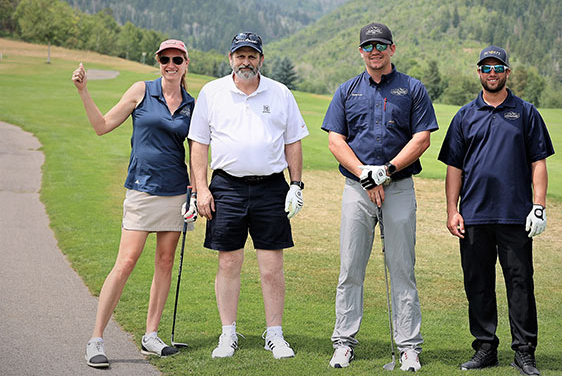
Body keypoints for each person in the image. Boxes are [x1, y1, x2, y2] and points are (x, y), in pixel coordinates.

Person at [73, 39, 197, 368]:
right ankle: (96, 339)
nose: (170, 64)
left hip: (176, 192)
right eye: (165, 59)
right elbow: (101, 126)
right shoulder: (141, 90)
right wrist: (84, 91)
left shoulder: (191, 105)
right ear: (159, 62)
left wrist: (196, 193)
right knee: (126, 262)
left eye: (177, 59)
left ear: (186, 63)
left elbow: (198, 152)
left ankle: (151, 335)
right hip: (142, 190)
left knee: (165, 262)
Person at [321, 22, 438, 372]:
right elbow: (335, 140)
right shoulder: (347, 90)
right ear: (361, 51)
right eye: (369, 46)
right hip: (357, 189)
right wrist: (364, 173)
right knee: (350, 269)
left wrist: (385, 171)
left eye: (381, 45)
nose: (375, 51)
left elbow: (422, 138)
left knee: (402, 269)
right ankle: (343, 343)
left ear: (392, 49)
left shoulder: (412, 88)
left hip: (398, 186)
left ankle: (409, 347)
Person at [188, 32, 308, 360]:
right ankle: (228, 333)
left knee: (271, 266)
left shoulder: (280, 93)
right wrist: (201, 189)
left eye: (252, 56)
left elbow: (293, 141)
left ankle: (275, 334)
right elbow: (198, 144)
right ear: (230, 59)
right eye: (240, 56)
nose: (246, 62)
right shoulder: (212, 92)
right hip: (226, 187)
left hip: (271, 187)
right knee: (229, 262)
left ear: (261, 60)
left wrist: (296, 184)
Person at [438, 45, 554, 375]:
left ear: (507, 72)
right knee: (478, 284)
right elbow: (454, 167)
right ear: (479, 72)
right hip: (474, 215)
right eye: (486, 68)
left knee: (520, 283)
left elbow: (538, 162)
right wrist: (452, 210)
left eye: (497, 68)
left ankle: (524, 352)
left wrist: (539, 206)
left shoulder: (526, 113)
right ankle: (485, 347)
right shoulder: (464, 115)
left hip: (515, 215)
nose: (492, 73)